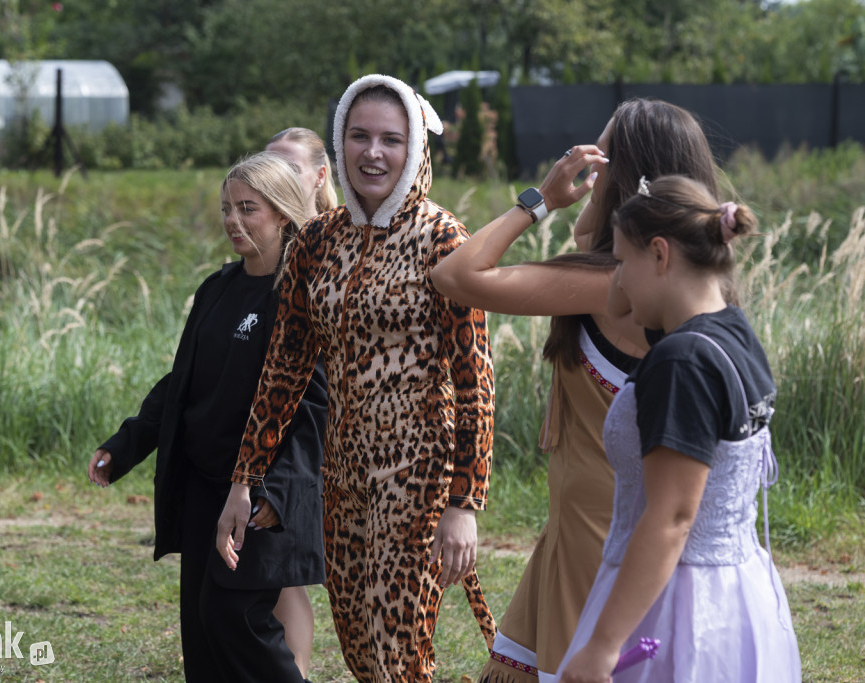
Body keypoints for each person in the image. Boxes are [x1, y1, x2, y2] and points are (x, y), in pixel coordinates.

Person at [215, 74, 497, 682]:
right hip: (340, 478)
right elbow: (283, 373)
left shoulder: (442, 238)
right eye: (359, 136)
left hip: (418, 475)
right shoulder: (316, 240)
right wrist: (245, 479)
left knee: (398, 654)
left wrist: (464, 503)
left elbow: (475, 381)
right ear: (339, 145)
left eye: (391, 139)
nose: (373, 152)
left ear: (416, 148)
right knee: (362, 653)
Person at [431, 98, 722, 682]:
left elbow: (456, 276)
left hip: (603, 536)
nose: (587, 165)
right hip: (581, 524)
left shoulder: (608, 283)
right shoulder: (674, 277)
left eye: (601, 155)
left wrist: (537, 201)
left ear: (630, 174)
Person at [87, 151, 327, 683]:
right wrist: (126, 444)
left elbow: (315, 407)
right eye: (226, 209)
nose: (233, 222)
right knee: (201, 629)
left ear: (283, 214)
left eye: (249, 209)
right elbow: (182, 385)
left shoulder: (302, 297)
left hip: (258, 495)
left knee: (234, 617)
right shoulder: (216, 290)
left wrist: (276, 491)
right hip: (202, 487)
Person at [556, 174, 801, 682]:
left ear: (661, 255)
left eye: (622, 261)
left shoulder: (680, 362)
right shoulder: (733, 329)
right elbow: (624, 304)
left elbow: (671, 517)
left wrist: (603, 645)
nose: (616, 281)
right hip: (735, 588)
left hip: (678, 607)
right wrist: (635, 253)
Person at [262, 126, 338, 677]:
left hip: (312, 430)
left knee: (286, 570)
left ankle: (297, 673)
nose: (276, 180)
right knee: (269, 573)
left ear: (319, 177)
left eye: (289, 168)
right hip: (261, 426)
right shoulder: (266, 246)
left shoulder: (327, 246)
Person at [267, 126, 339, 217]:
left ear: (320, 176)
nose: (277, 178)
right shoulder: (248, 228)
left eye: (292, 170)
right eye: (270, 169)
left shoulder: (338, 229)